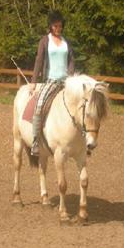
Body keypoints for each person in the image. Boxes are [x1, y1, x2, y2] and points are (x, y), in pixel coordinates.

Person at [30, 10, 75, 158]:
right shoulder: (45, 41)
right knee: (39, 105)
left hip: (65, 81)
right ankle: (35, 141)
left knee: (81, 105)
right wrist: (34, 82)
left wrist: (70, 76)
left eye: (60, 26)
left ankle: (83, 140)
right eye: (55, 26)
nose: (58, 29)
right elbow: (39, 61)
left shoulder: (66, 42)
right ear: (50, 26)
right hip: (50, 81)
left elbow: (71, 61)